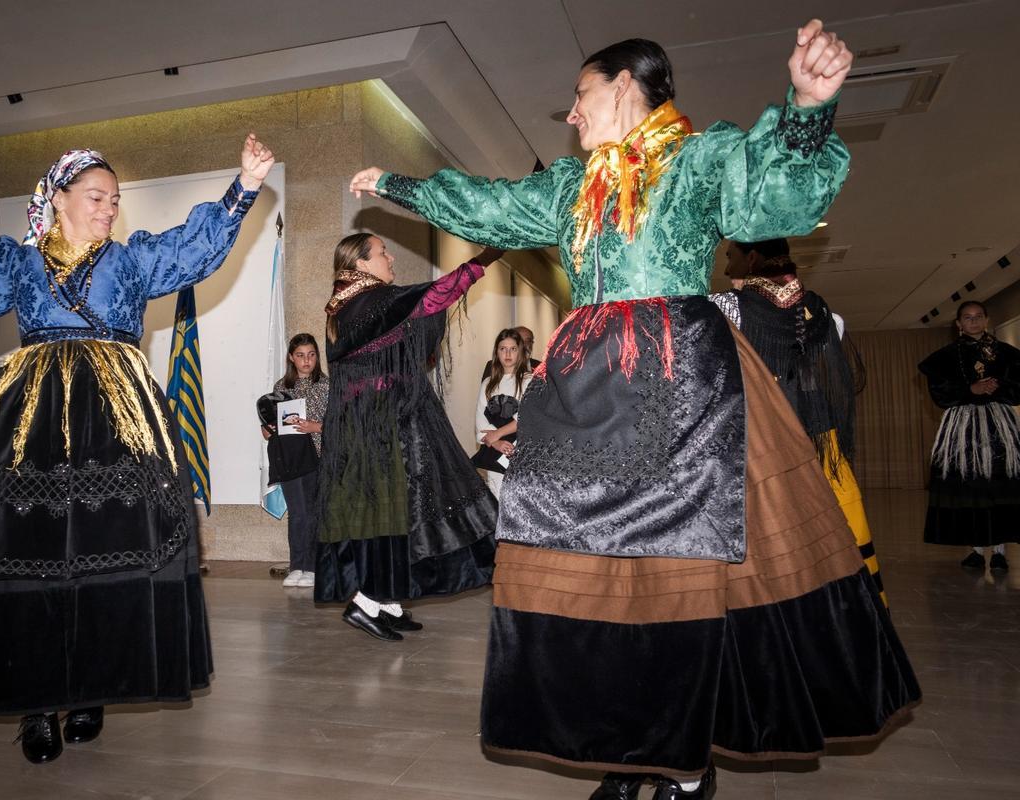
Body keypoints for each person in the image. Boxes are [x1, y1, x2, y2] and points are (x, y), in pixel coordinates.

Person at [351, 21, 918, 799]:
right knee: (595, 568)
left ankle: (683, 764)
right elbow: (491, 205)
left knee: (677, 568)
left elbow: (768, 199)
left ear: (623, 85)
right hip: (586, 384)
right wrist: (399, 185)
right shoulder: (568, 188)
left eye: (580, 96)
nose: (572, 114)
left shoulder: (697, 157)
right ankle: (629, 750)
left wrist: (808, 108)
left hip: (678, 379)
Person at [0, 134, 275, 763]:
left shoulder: (131, 261)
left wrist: (244, 186)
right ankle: (37, 703)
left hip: (118, 421)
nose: (108, 208)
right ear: (57, 199)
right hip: (30, 418)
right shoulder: (19, 264)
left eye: (114, 200)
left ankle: (90, 686)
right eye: (95, 196)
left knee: (107, 550)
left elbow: (190, 250)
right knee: (27, 550)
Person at [315, 233, 501, 641]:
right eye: (383, 253)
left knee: (402, 513)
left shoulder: (352, 303)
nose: (391, 258)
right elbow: (430, 298)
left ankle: (388, 601)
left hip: (378, 424)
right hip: (377, 431)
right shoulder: (364, 303)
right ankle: (366, 603)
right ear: (361, 263)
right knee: (392, 513)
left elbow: (410, 320)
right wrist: (484, 258)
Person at [713, 239, 885, 606]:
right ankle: (842, 602)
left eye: (731, 258)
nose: (727, 270)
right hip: (815, 432)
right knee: (826, 516)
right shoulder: (823, 313)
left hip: (757, 433)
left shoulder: (722, 307)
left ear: (752, 258)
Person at [919, 300, 1020, 574]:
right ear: (959, 324)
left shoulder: (1008, 354)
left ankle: (999, 552)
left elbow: (1018, 387)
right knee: (970, 485)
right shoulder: (945, 356)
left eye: (978, 317)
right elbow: (940, 393)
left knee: (999, 484)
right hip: (962, 426)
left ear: (986, 320)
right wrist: (970, 390)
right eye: (967, 317)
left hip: (999, 426)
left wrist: (995, 388)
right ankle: (976, 551)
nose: (973, 322)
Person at [260, 332, 329, 588]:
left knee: (312, 512)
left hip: (316, 456)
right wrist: (267, 430)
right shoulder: (281, 387)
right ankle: (296, 565)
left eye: (311, 355)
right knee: (297, 513)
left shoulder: (326, 385)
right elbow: (272, 424)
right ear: (291, 357)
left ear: (317, 357)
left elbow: (339, 423)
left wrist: (316, 426)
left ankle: (311, 567)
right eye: (300, 355)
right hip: (289, 458)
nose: (306, 360)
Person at [473, 328, 533, 498]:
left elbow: (526, 417)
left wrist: (498, 434)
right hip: (495, 453)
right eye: (502, 348)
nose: (507, 353)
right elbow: (480, 421)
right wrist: (496, 443)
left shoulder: (529, 381)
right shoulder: (488, 383)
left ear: (520, 351)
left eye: (513, 349)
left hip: (522, 452)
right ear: (496, 352)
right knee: (496, 499)